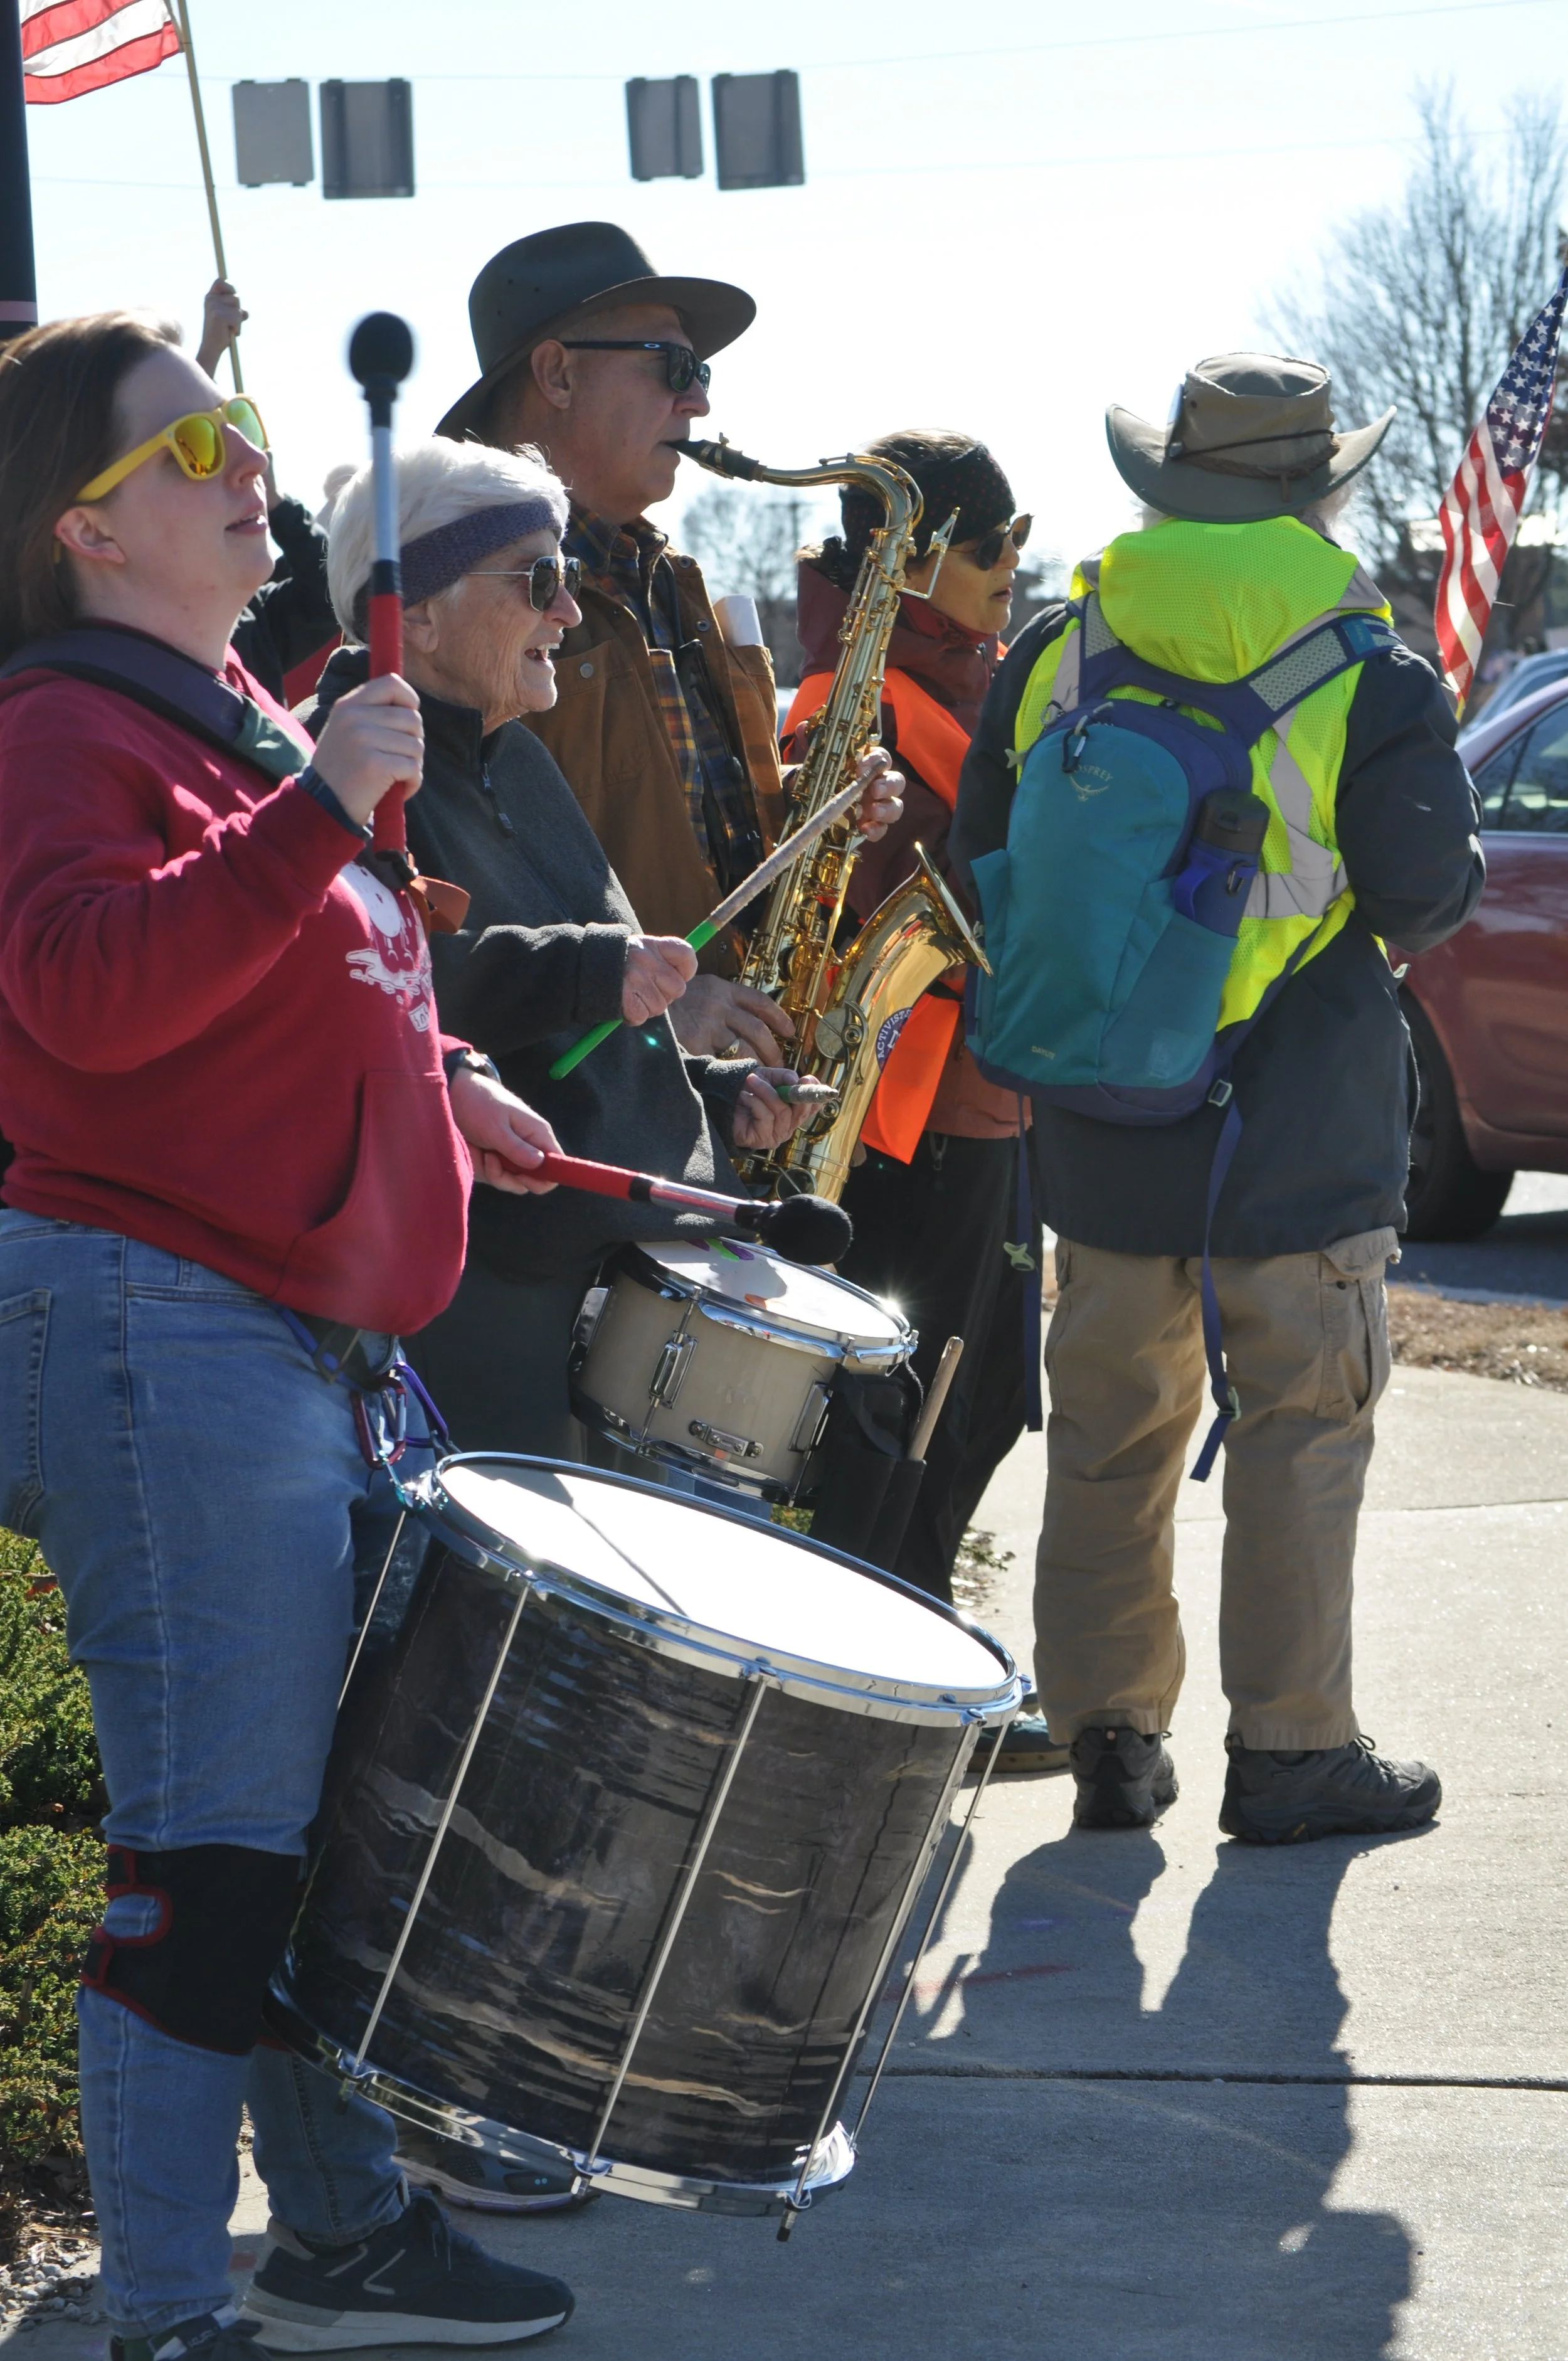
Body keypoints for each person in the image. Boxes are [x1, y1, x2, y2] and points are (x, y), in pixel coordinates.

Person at [0, 310, 578, 2359]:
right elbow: (80, 994)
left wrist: (445, 1084)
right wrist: (323, 800)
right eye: (194, 448)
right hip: (166, 1338)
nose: (246, 463)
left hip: (271, 1335)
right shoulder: (67, 727)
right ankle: (167, 2311)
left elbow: (300, 972)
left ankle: (340, 2225)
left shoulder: (224, 707)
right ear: (86, 530)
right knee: (211, 1856)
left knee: (305, 1842)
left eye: (242, 429)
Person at [952, 353, 1485, 1840]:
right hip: (1295, 1116)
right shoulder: (1368, 663)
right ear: (1318, 485)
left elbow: (979, 851)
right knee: (1303, 1426)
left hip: (1106, 1112)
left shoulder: (1065, 637)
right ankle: (1293, 1747)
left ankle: (1110, 1736)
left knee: (1112, 1431)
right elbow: (1426, 895)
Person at [312, 436, 813, 1470]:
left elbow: (566, 1049)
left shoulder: (520, 756)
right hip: (473, 1294)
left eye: (571, 578)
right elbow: (377, 999)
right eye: (541, 579)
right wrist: (590, 966)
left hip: (601, 1270)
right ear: (416, 611)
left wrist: (715, 1093)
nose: (570, 611)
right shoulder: (345, 765)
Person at [435, 220, 899, 1063]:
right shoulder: (462, 591)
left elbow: (670, 805)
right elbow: (441, 911)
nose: (700, 402)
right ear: (557, 372)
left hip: (733, 1080)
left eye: (702, 373)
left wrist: (816, 804)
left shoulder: (664, 572)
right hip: (595, 1111)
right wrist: (641, 1022)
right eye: (673, 367)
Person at [787, 429, 1062, 1774]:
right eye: (987, 544)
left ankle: (919, 1659)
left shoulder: (974, 687)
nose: (1010, 570)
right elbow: (841, 909)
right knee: (906, 1415)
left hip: (987, 1103)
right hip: (906, 1123)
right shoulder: (849, 700)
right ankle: (883, 1689)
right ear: (911, 557)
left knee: (991, 1396)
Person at [194, 278, 339, 704]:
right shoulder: (136, 630)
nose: (253, 462)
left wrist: (275, 503)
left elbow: (332, 590)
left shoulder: (256, 618)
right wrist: (205, 358)